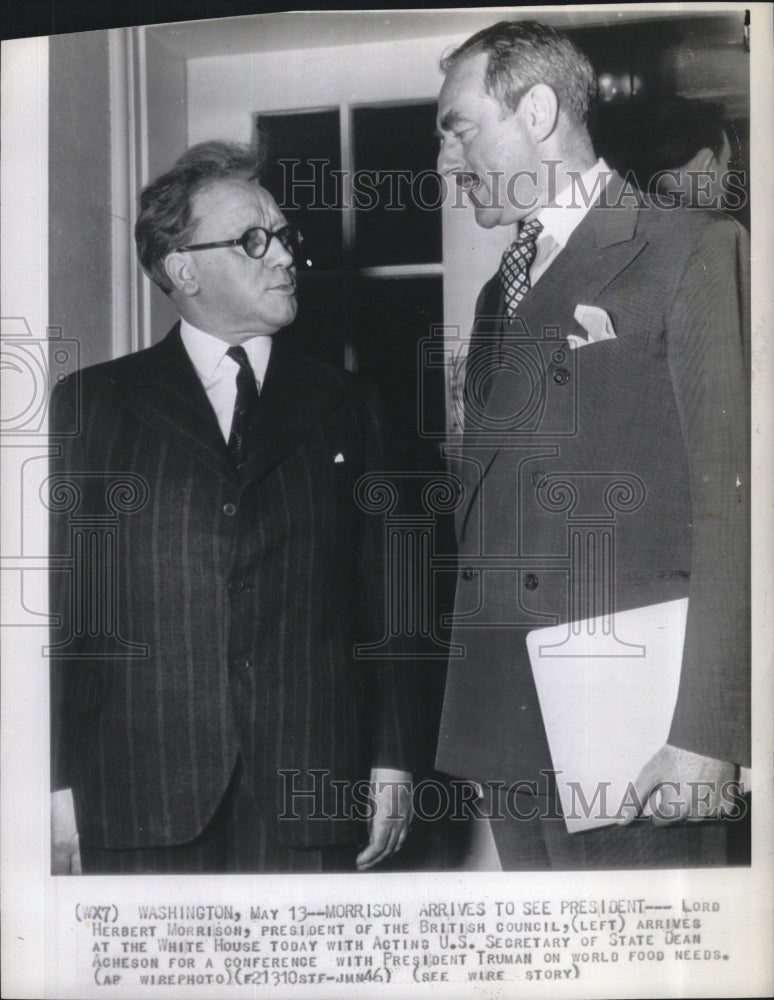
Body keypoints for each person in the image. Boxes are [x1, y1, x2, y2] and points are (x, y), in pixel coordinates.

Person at [49, 141, 416, 874]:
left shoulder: (350, 405)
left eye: (285, 237)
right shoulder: (94, 405)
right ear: (183, 267)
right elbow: (64, 606)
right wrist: (53, 780)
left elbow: (393, 599)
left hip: (312, 789)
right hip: (135, 790)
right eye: (255, 240)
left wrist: (394, 761)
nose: (285, 257)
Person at [434, 21, 750, 869]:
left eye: (457, 127)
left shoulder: (691, 251)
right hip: (506, 728)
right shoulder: (498, 296)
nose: (444, 161)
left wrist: (709, 735)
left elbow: (737, 509)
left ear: (536, 111)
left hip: (637, 732)